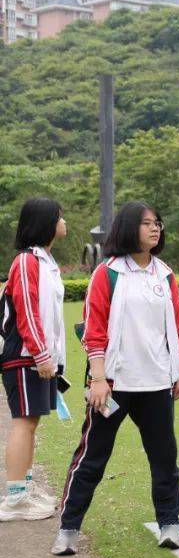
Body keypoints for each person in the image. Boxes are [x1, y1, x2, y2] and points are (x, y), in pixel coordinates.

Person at [53, 202, 179, 555]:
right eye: (146, 224)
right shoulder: (108, 273)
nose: (155, 229)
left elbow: (175, 326)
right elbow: (93, 330)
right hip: (112, 385)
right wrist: (98, 379)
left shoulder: (165, 274)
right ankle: (68, 528)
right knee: (92, 457)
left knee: (164, 458)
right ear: (129, 228)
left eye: (157, 223)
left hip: (157, 383)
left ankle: (170, 524)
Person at [0, 198, 67, 522]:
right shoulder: (27, 261)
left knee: (31, 422)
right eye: (59, 216)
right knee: (23, 422)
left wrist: (55, 359)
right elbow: (26, 311)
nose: (64, 221)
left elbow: (51, 317)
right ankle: (15, 499)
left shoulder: (45, 261)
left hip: (39, 356)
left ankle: (24, 488)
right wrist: (41, 354)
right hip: (26, 355)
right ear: (46, 222)